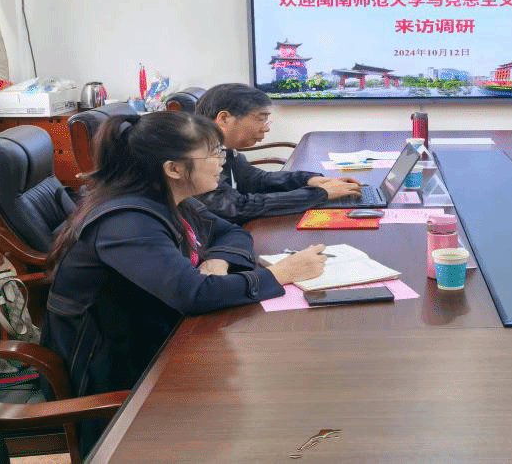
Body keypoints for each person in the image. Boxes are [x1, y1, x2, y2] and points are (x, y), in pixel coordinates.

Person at [42, 111, 327, 454]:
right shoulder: (128, 222)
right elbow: (194, 294)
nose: (222, 162)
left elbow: (230, 232)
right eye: (214, 154)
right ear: (174, 169)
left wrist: (218, 260)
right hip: (111, 371)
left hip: (156, 336)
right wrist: (280, 273)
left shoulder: (170, 201)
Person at [194, 83, 361, 222]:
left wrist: (308, 180)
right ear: (224, 119)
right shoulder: (196, 158)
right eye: (261, 119)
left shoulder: (222, 149)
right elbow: (237, 207)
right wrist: (319, 194)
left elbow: (257, 179)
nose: (266, 128)